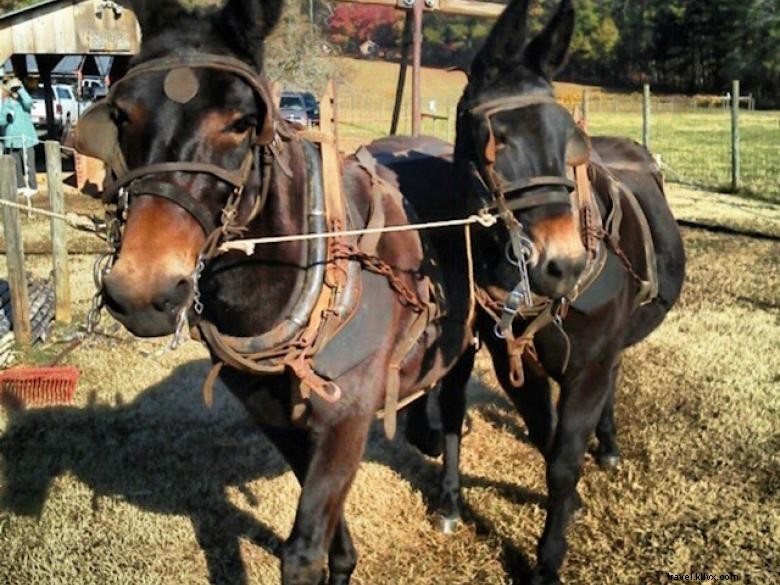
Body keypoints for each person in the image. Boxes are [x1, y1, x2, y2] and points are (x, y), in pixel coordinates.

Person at [0, 77, 39, 196]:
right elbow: (1, 120)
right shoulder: (6, 104)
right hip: (11, 140)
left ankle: (32, 187)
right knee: (15, 164)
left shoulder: (23, 103)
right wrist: (6, 118)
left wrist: (20, 89)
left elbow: (28, 102)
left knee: (29, 165)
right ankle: (20, 186)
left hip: (26, 140)